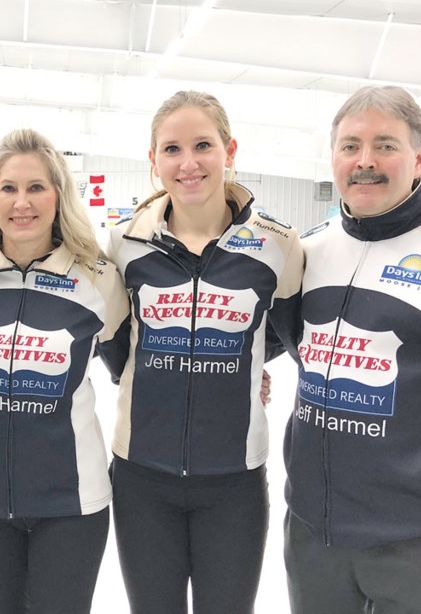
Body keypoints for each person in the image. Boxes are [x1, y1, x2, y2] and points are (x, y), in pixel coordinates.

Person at [103, 90, 303, 614]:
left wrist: (248, 367)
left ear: (229, 150)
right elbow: (114, 341)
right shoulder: (122, 244)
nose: (188, 164)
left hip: (233, 483)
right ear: (153, 162)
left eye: (202, 146)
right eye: (171, 149)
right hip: (141, 477)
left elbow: (288, 329)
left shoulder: (277, 245)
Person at [0, 128, 130, 614]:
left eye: (36, 187)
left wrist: (251, 369)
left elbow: (134, 364)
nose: (21, 202)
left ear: (59, 196)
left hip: (71, 502)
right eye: (8, 188)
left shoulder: (98, 279)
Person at [282, 86, 421, 613]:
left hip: (420, 541)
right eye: (350, 146)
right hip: (314, 533)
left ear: (419, 157)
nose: (365, 162)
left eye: (385, 145)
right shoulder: (307, 253)